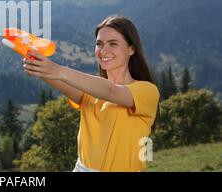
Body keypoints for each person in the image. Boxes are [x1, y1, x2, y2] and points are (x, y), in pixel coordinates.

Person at [23, 15, 160, 172]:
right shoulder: (91, 91)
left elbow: (110, 91)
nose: (103, 50)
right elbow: (62, 82)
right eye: (99, 44)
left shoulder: (147, 91)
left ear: (131, 49)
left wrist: (56, 69)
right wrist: (39, 67)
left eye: (113, 44)